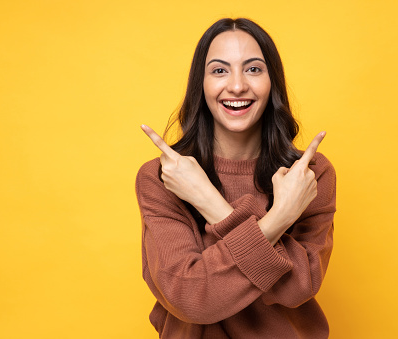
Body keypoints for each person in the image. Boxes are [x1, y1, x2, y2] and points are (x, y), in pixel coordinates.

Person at [135, 18, 336, 338]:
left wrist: (209, 202)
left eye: (254, 69)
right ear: (200, 84)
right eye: (219, 70)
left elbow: (299, 287)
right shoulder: (164, 177)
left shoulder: (307, 177)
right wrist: (277, 220)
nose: (238, 85)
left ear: (273, 82)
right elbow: (189, 298)